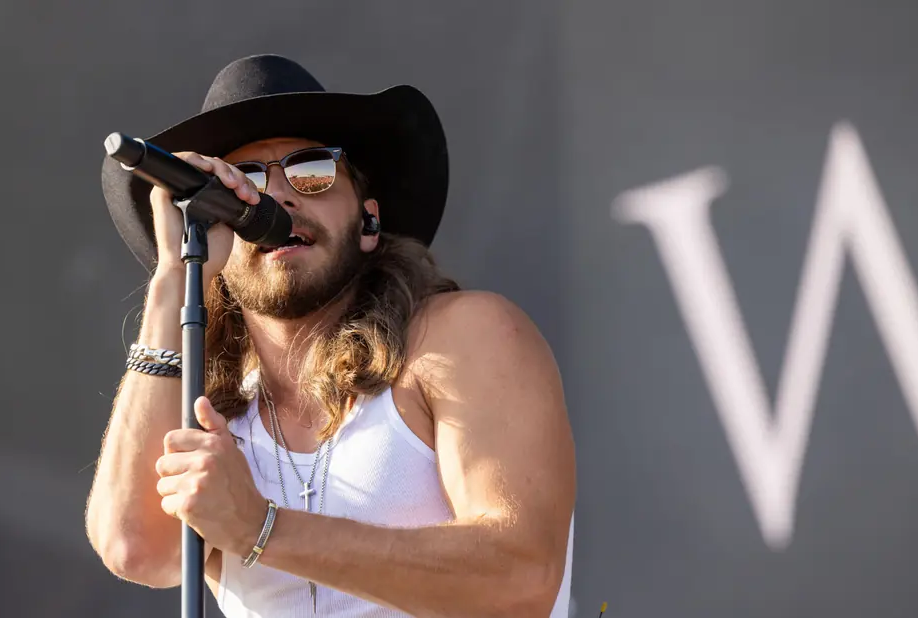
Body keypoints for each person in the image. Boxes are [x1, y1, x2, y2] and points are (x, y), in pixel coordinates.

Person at [87, 54, 576, 617]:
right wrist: (172, 278)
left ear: (368, 221)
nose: (277, 199)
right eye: (243, 181)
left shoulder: (461, 335)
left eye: (311, 171)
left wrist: (259, 527)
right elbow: (137, 551)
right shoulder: (206, 408)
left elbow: (520, 578)